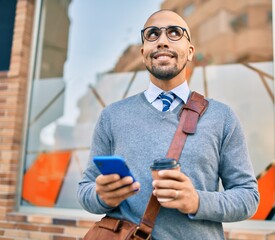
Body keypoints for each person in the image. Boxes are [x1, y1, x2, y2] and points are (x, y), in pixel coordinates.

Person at [77, 9, 259, 240]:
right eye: (152, 35)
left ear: (190, 51)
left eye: (174, 33)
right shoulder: (112, 115)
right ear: (144, 52)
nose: (162, 41)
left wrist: (196, 201)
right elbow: (85, 191)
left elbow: (248, 197)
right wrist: (102, 197)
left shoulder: (222, 117)